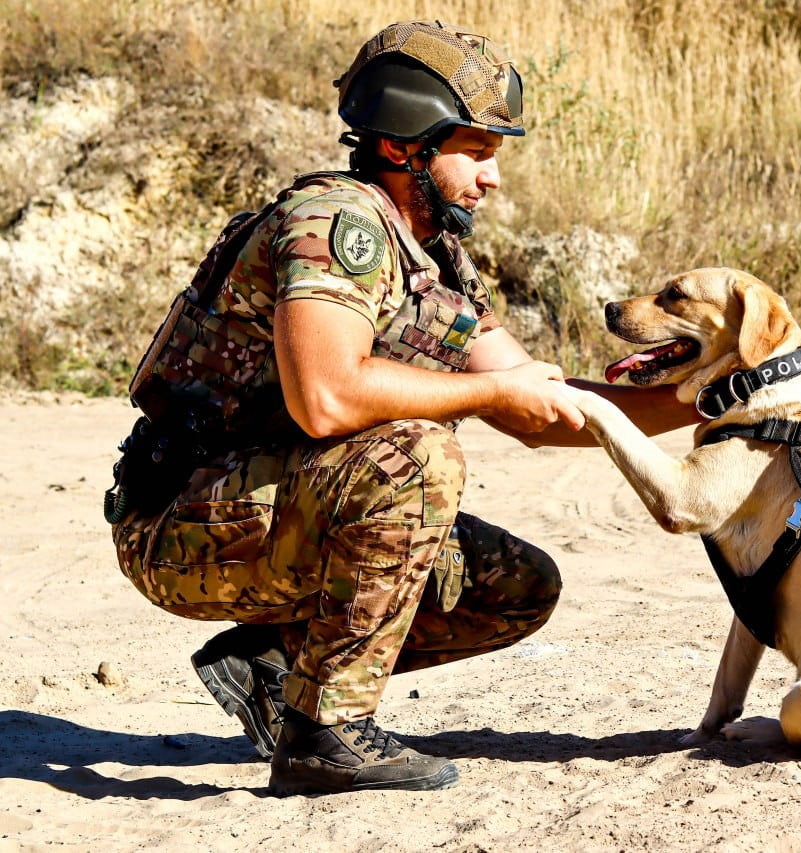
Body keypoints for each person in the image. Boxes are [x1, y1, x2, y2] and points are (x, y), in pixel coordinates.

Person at [107, 20, 696, 796]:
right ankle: (326, 732)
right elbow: (327, 397)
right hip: (183, 521)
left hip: (270, 505)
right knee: (418, 458)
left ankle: (277, 667)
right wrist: (486, 393)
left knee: (513, 584)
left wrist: (702, 397)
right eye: (477, 153)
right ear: (401, 146)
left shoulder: (435, 255)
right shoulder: (334, 225)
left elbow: (538, 408)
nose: (493, 179)